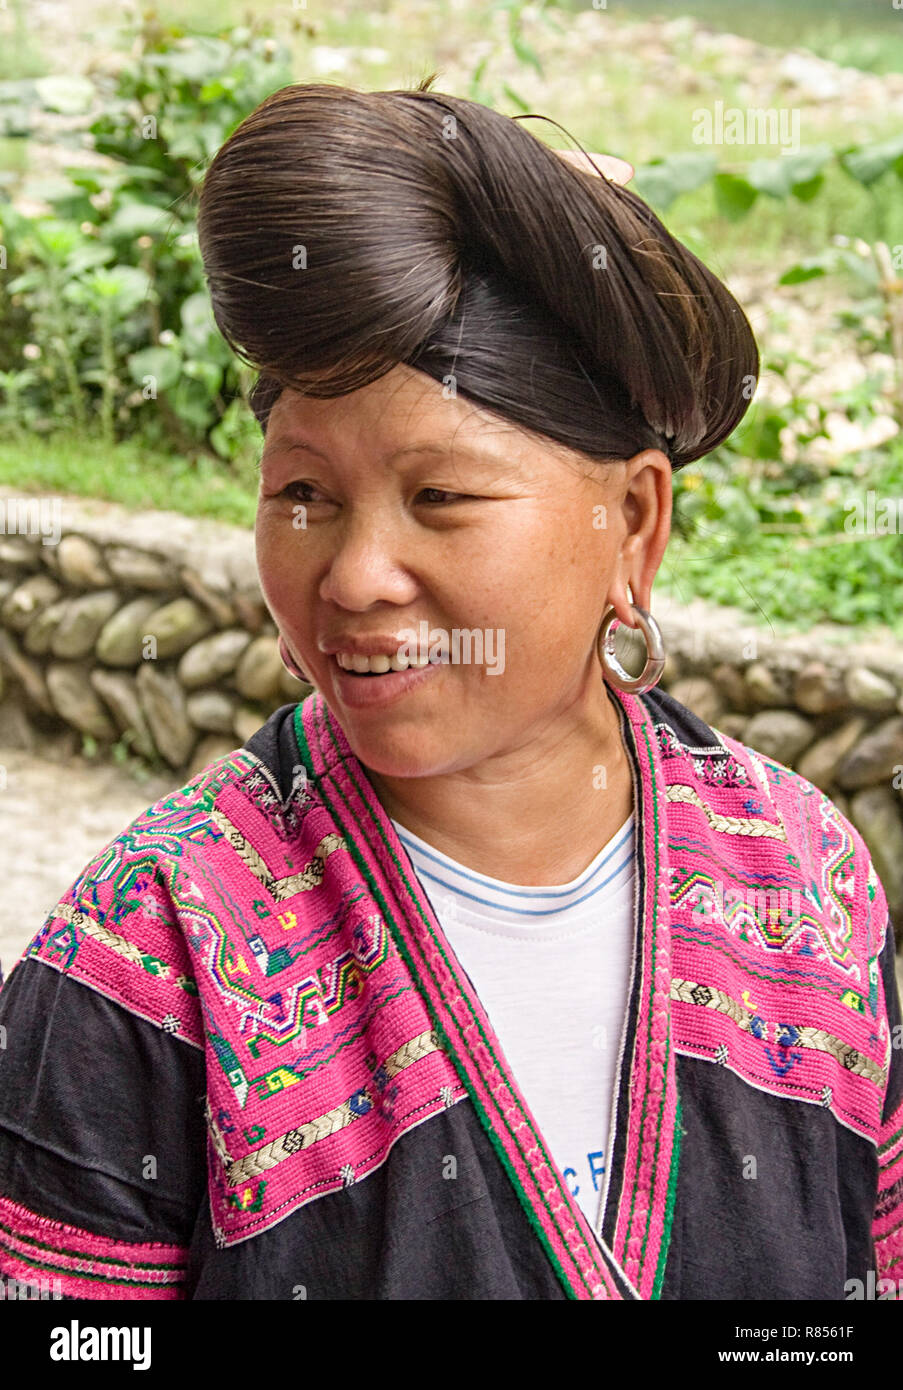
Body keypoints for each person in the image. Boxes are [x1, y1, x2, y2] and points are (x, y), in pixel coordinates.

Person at [0, 76, 900, 1302]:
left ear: (631, 523)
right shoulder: (147, 958)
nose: (357, 577)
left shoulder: (808, 885)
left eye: (442, 498)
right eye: (304, 495)